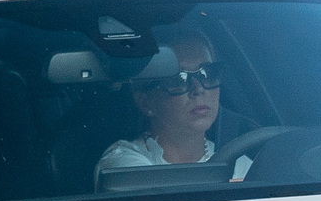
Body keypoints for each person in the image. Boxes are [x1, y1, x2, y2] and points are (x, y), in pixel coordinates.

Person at [96, 35, 252, 182]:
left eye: (207, 74)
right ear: (145, 102)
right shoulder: (123, 163)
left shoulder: (241, 164)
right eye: (178, 79)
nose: (198, 89)